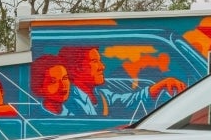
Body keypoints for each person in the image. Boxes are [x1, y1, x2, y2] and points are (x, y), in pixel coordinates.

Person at [57, 45, 185, 118]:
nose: (103, 66)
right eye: (95, 61)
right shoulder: (67, 102)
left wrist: (162, 85)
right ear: (77, 68)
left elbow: (132, 100)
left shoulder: (102, 96)